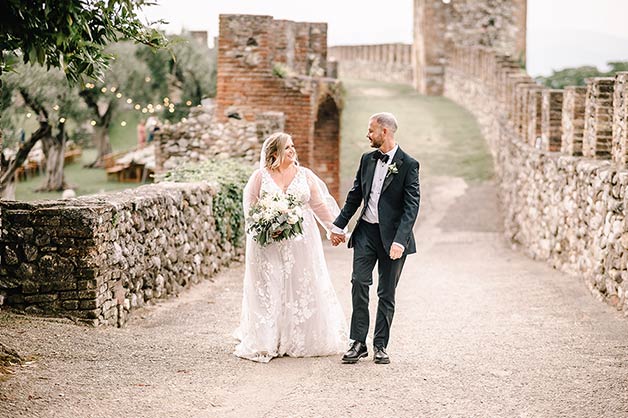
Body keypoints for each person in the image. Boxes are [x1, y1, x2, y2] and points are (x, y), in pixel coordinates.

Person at [234, 132, 348, 363]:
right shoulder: (259, 177)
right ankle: (266, 341)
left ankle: (299, 336)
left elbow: (319, 205)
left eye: (293, 146)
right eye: (287, 147)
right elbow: (250, 210)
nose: (292, 151)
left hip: (301, 241)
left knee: (301, 284)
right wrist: (265, 227)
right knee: (268, 286)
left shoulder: (305, 175)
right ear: (274, 153)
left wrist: (335, 229)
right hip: (267, 244)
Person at [331, 112, 420, 365]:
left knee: (386, 292)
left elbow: (411, 206)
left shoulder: (409, 164)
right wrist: (338, 225)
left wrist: (400, 241)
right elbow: (355, 195)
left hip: (393, 239)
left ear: (385, 132)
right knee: (359, 283)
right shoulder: (366, 159)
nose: (367, 135)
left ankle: (380, 345)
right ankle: (358, 342)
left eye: (371, 130)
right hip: (366, 233)